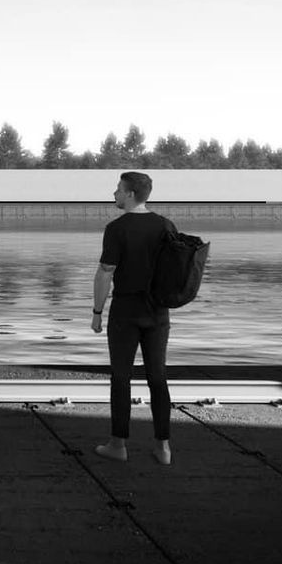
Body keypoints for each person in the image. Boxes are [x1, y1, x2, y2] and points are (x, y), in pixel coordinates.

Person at [90, 171, 176, 465]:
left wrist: (97, 312)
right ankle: (163, 448)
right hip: (158, 311)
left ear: (129, 194)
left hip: (125, 311)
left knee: (121, 377)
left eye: (117, 189)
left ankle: (118, 445)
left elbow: (105, 273)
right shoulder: (166, 225)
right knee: (158, 377)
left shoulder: (116, 228)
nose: (114, 193)